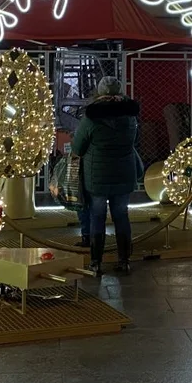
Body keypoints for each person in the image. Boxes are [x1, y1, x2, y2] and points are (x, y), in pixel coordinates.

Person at [72, 77, 143, 275]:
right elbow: (135, 141)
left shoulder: (91, 118)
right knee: (121, 216)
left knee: (97, 217)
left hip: (97, 178)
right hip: (124, 175)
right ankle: (124, 260)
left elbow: (78, 147)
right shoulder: (130, 118)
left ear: (99, 91)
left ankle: (96, 262)